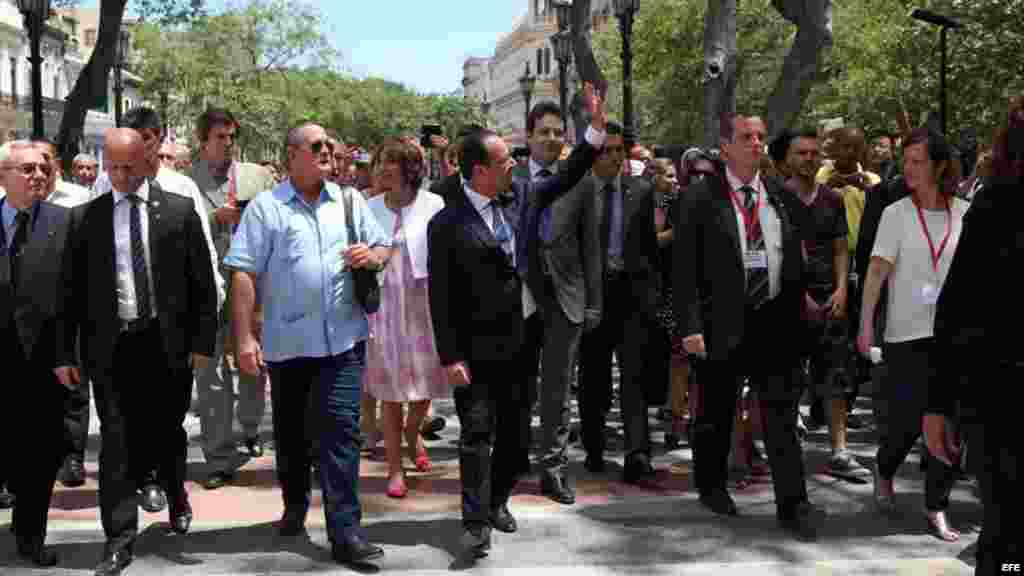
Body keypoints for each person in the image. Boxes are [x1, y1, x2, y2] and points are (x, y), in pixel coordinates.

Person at [427, 82, 606, 558]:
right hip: (475, 349)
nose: (516, 164)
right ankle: (475, 523)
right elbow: (440, 297)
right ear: (480, 171)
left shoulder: (523, 196)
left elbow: (568, 174)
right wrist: (450, 357)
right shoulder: (446, 222)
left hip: (523, 340)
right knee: (476, 436)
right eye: (506, 160)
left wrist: (594, 132)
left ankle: (497, 500)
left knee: (514, 437)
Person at [226, 123, 391, 566]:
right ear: (292, 154)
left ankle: (346, 532)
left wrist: (372, 257)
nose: (326, 152)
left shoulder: (349, 200)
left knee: (341, 435)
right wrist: (244, 337)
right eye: (316, 146)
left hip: (343, 343)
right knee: (293, 438)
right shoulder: (267, 207)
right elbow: (243, 272)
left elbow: (384, 247)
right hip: (289, 345)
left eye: (329, 146)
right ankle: (295, 504)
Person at [58, 129, 218, 576]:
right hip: (112, 347)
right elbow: (69, 292)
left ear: (147, 161)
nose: (121, 177)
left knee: (167, 431)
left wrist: (202, 344)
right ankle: (118, 540)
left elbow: (202, 284)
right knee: (116, 442)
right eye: (112, 168)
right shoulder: (86, 218)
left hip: (167, 344)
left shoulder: (179, 211)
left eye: (129, 167)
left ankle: (176, 495)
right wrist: (66, 353)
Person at [675, 114, 823, 540]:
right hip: (721, 321)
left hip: (774, 321)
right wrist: (690, 326)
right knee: (715, 411)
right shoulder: (699, 196)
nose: (756, 143)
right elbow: (683, 268)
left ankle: (793, 504)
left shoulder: (779, 194)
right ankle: (711, 485)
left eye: (760, 137)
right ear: (725, 146)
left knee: (780, 417)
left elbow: (796, 254)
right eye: (746, 137)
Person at [857, 127, 967, 543]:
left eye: (918, 161)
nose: (908, 168)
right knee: (905, 424)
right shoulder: (896, 213)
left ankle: (936, 505)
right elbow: (875, 274)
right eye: (906, 161)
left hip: (954, 338)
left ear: (938, 166)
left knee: (947, 425)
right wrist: (865, 326)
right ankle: (884, 467)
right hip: (906, 335)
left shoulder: (966, 212)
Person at [930, 95, 1024, 575]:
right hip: (1000, 399)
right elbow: (957, 308)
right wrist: (938, 405)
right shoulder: (996, 204)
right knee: (1007, 540)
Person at [188, 108, 276, 490]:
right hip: (205, 288)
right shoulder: (186, 181)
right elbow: (176, 228)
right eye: (219, 137)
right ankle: (219, 456)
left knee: (252, 361)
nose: (227, 144)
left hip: (251, 285)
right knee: (210, 375)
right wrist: (214, 219)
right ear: (202, 141)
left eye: (231, 137)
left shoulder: (257, 177)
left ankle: (251, 427)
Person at [2, 141, 77, 567]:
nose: (37, 175)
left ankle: (31, 536)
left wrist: (68, 355)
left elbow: (76, 296)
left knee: (40, 454)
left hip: (44, 360)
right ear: (3, 176)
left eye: (42, 169)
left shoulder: (64, 223)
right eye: (26, 169)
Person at [362, 139, 448, 498]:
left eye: (391, 162)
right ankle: (395, 468)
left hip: (425, 303)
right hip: (385, 306)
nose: (383, 168)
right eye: (380, 161)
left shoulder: (434, 204)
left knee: (427, 379)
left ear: (410, 168)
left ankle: (414, 432)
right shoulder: (368, 208)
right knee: (391, 391)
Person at [782, 128, 868, 479]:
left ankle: (840, 450)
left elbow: (840, 248)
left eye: (813, 153)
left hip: (830, 298)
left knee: (836, 377)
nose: (808, 158)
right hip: (788, 301)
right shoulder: (777, 198)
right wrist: (798, 294)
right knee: (787, 378)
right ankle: (785, 450)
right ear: (788, 159)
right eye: (801, 153)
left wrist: (842, 289)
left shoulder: (832, 199)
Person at [577, 121, 659, 482]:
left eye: (618, 151)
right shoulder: (578, 191)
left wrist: (652, 296)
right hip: (592, 299)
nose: (613, 157)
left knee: (634, 376)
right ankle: (594, 445)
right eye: (605, 151)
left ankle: (637, 453)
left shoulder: (640, 191)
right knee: (593, 377)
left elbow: (649, 249)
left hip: (632, 297)